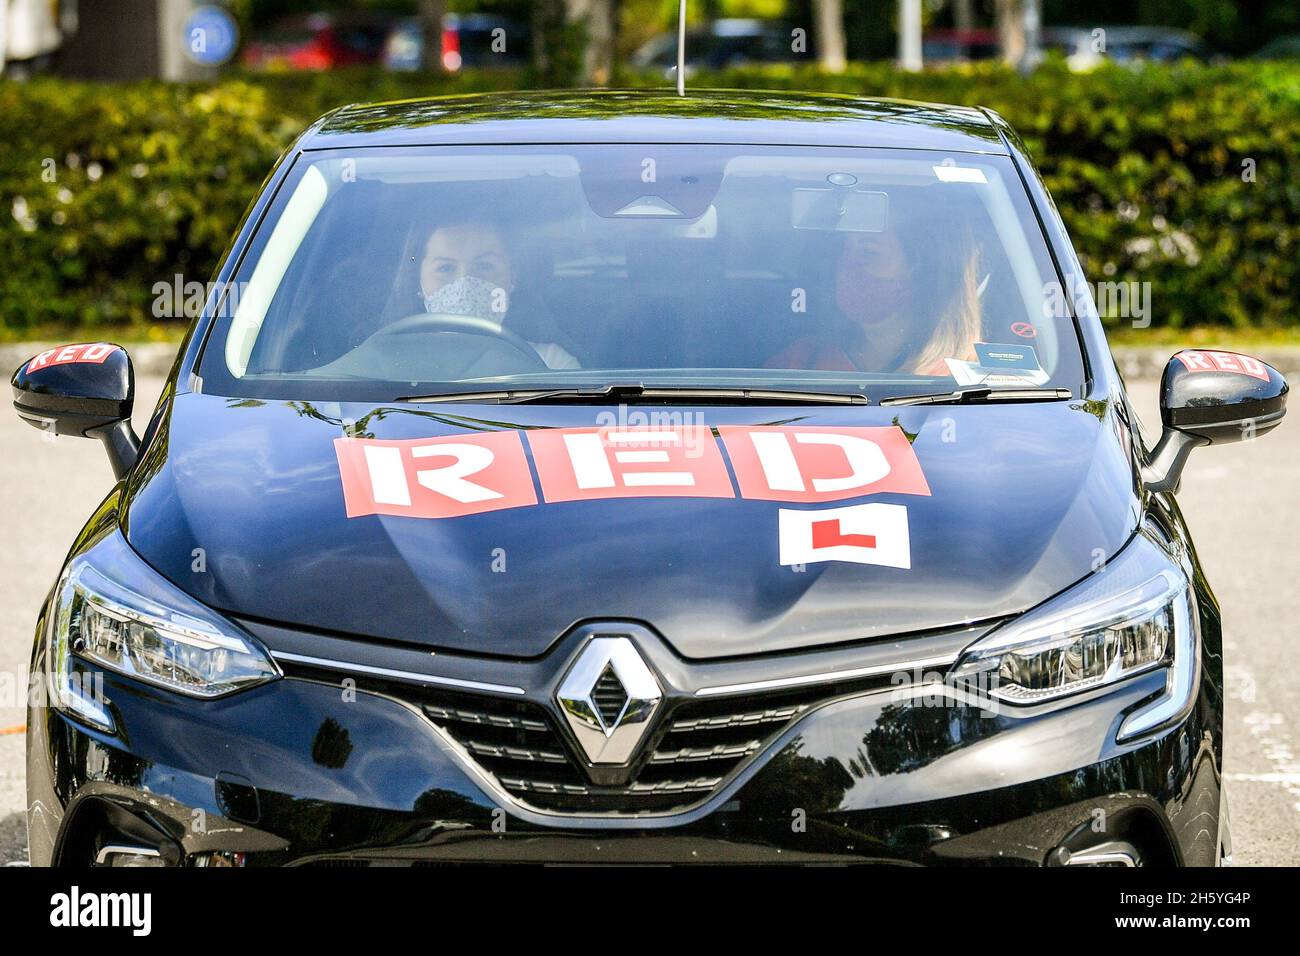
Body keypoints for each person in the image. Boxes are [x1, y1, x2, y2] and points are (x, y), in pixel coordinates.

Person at [766, 218, 983, 376]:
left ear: (917, 268)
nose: (848, 265)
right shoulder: (803, 360)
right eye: (845, 248)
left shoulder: (975, 378)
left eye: (869, 252)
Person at [417, 218, 580, 370]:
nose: (464, 286)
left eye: (484, 266)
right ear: (419, 281)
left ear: (512, 278)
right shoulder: (393, 364)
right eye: (445, 268)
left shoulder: (550, 364)